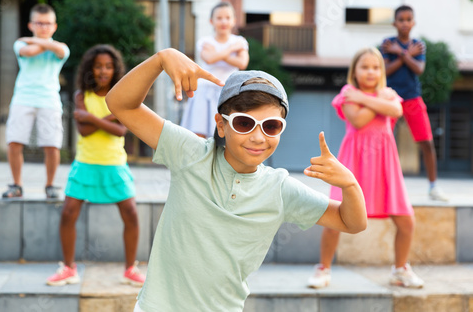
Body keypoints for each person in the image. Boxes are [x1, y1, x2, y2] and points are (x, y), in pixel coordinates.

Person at [105, 48, 367, 312]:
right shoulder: (191, 153)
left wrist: (350, 185)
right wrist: (161, 59)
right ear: (221, 125)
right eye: (244, 123)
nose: (257, 137)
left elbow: (352, 222)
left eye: (271, 126)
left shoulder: (280, 189)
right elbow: (120, 104)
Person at [307, 47, 424, 289]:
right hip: (353, 163)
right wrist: (380, 100)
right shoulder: (348, 92)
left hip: (385, 164)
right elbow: (358, 120)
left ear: (381, 71)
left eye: (375, 67)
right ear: (355, 71)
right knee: (334, 217)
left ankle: (400, 269)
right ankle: (323, 268)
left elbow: (397, 110)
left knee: (406, 221)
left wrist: (366, 99)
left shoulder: (383, 95)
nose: (370, 72)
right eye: (364, 67)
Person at [46, 45, 145, 287]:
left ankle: (130, 269)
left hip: (114, 164)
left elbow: (121, 130)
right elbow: (84, 131)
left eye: (109, 67)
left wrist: (91, 117)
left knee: (131, 214)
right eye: (98, 66)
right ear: (90, 69)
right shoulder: (81, 95)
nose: (103, 71)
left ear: (115, 70)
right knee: (68, 213)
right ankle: (69, 268)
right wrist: (110, 117)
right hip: (86, 163)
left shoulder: (119, 96)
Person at [2, 3, 70, 199]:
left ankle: (50, 185)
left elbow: (61, 51)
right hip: (22, 98)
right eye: (39, 23)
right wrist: (45, 43)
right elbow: (29, 52)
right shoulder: (20, 45)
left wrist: (36, 40)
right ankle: (16, 185)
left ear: (54, 26)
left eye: (47, 23)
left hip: (49, 100)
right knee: (14, 142)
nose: (43, 27)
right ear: (30, 24)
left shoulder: (58, 47)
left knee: (52, 145)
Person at [381, 5, 448, 202]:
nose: (404, 23)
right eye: (401, 19)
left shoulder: (418, 45)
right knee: (383, 142)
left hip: (412, 98)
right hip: (390, 98)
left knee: (427, 142)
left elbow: (419, 69)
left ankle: (434, 186)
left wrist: (400, 53)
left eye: (408, 19)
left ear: (413, 23)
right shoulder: (387, 44)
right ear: (395, 23)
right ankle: (382, 186)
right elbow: (385, 71)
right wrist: (405, 54)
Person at [180, 1, 249, 138]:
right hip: (204, 92)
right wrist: (230, 50)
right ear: (211, 21)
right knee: (198, 133)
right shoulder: (205, 41)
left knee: (228, 133)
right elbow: (209, 58)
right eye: (219, 18)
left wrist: (218, 54)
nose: (223, 21)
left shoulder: (240, 41)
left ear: (234, 21)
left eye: (228, 18)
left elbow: (242, 63)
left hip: (229, 92)